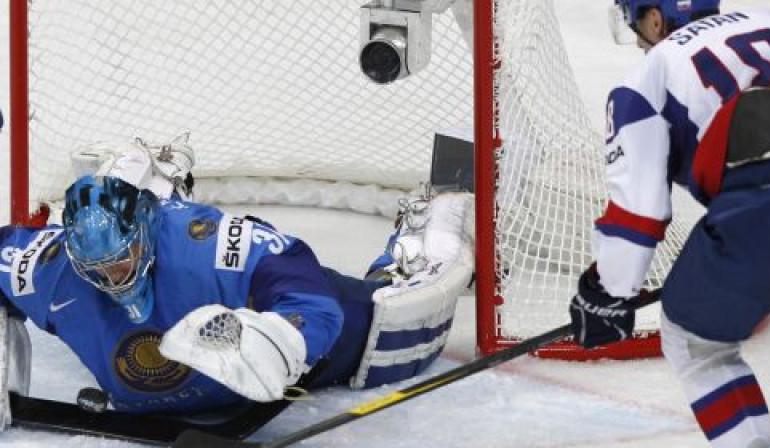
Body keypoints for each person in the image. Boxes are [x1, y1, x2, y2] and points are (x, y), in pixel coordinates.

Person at [0, 136, 474, 424]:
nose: (112, 278)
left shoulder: (205, 242)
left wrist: (285, 339)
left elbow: (299, 280)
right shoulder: (50, 267)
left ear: (146, 231)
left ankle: (435, 220)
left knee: (398, 315)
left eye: (122, 260)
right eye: (96, 270)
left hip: (330, 342)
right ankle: (146, 164)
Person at [568, 1, 770, 447]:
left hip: (763, 206)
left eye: (636, 24)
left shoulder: (644, 81)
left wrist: (607, 293)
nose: (638, 39)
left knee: (696, 344)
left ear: (656, 19)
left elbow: (639, 216)